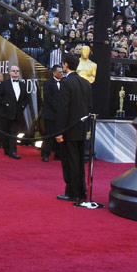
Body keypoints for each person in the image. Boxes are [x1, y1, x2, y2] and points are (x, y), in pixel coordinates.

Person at [55, 53, 92, 201]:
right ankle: (81, 191)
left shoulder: (66, 83)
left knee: (70, 162)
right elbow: (89, 107)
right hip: (82, 129)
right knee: (79, 161)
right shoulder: (86, 83)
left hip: (69, 129)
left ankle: (72, 192)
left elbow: (63, 109)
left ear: (66, 65)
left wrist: (60, 132)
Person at [0, 65, 29, 159]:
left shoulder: (22, 84)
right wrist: (5, 104)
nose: (16, 72)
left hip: (17, 114)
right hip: (5, 113)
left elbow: (26, 98)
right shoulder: (4, 84)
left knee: (13, 133)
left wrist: (22, 106)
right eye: (13, 71)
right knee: (5, 133)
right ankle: (7, 150)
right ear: (9, 73)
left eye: (17, 71)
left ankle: (13, 151)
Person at [41, 64, 63, 163]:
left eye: (62, 72)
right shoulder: (48, 83)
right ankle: (45, 154)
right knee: (49, 135)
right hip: (50, 113)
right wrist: (57, 107)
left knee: (60, 134)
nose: (61, 74)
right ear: (54, 73)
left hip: (60, 114)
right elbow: (48, 97)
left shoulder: (64, 83)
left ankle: (58, 154)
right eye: (59, 72)